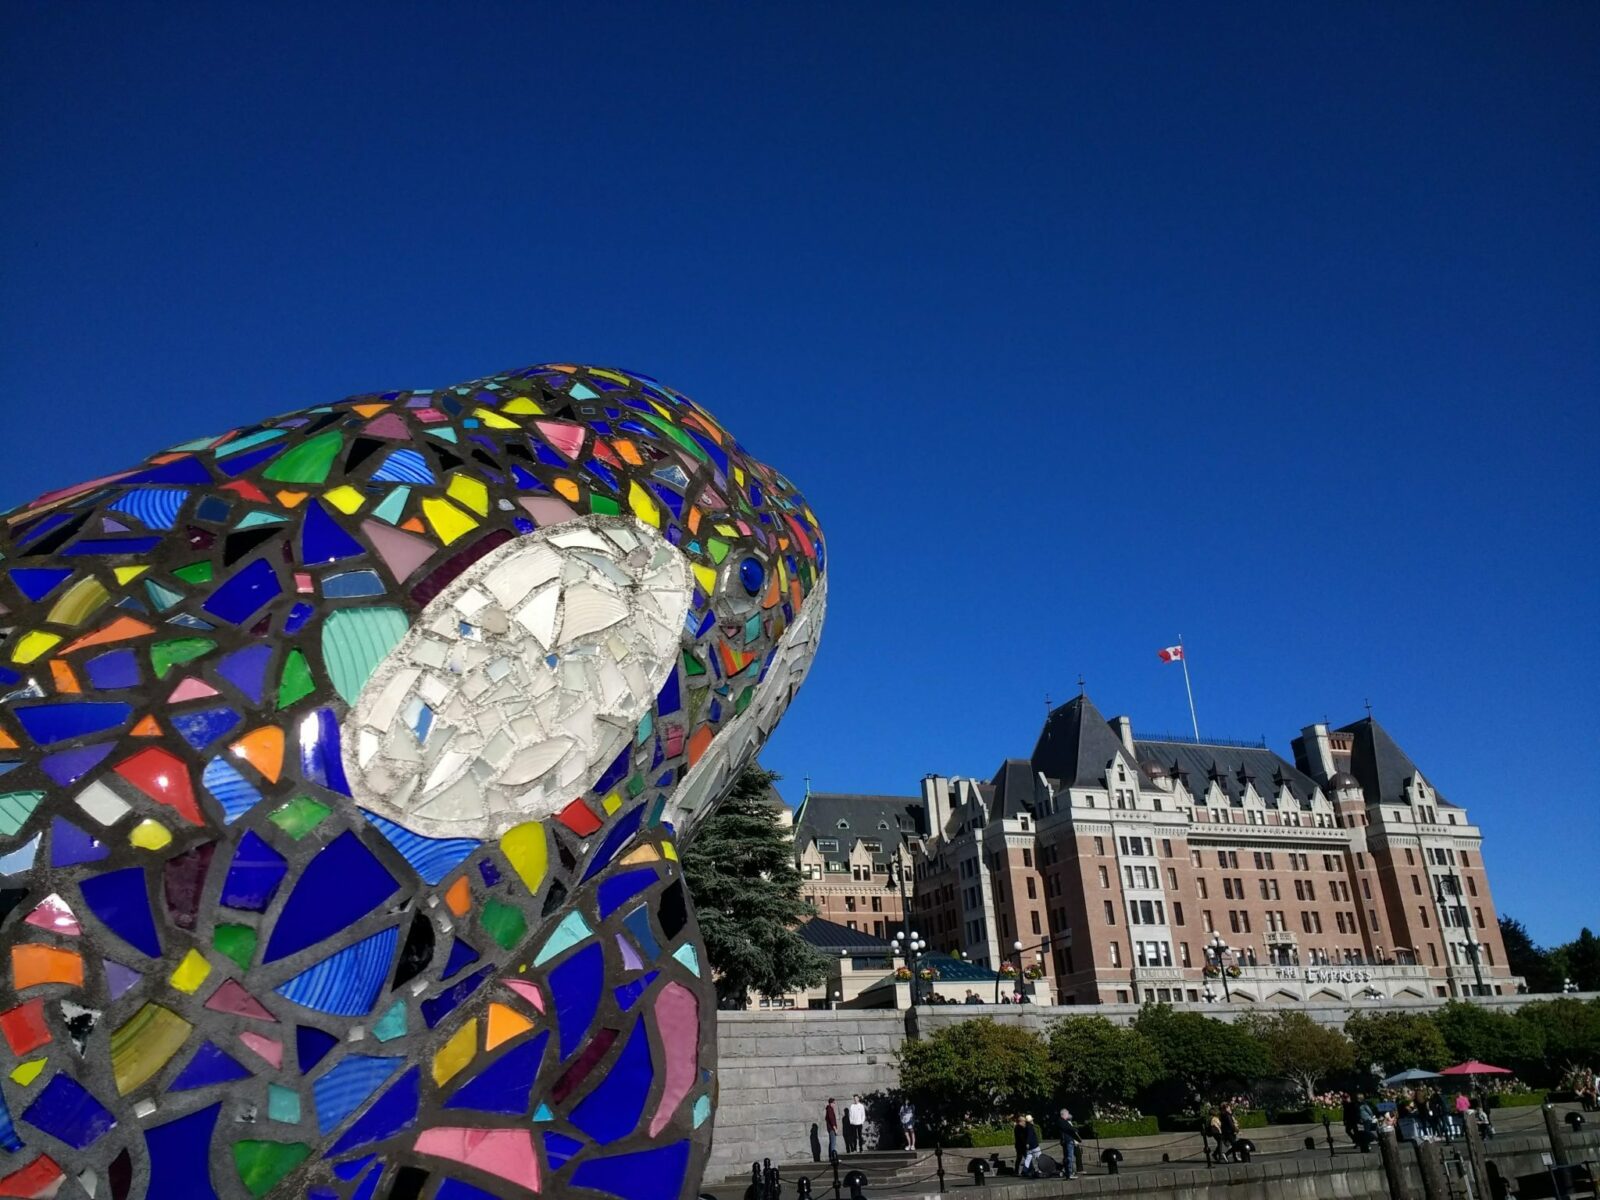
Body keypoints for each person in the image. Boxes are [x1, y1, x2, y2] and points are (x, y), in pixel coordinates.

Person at [1058, 1108, 1080, 1180]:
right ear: (1064, 1114)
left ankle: (1068, 1173)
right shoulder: (1063, 1121)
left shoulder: (1061, 1121)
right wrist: (1075, 1130)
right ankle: (1069, 1173)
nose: (1068, 1115)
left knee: (1067, 1157)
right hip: (1068, 1141)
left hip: (1066, 1141)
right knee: (1069, 1157)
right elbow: (1070, 1128)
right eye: (1067, 1113)